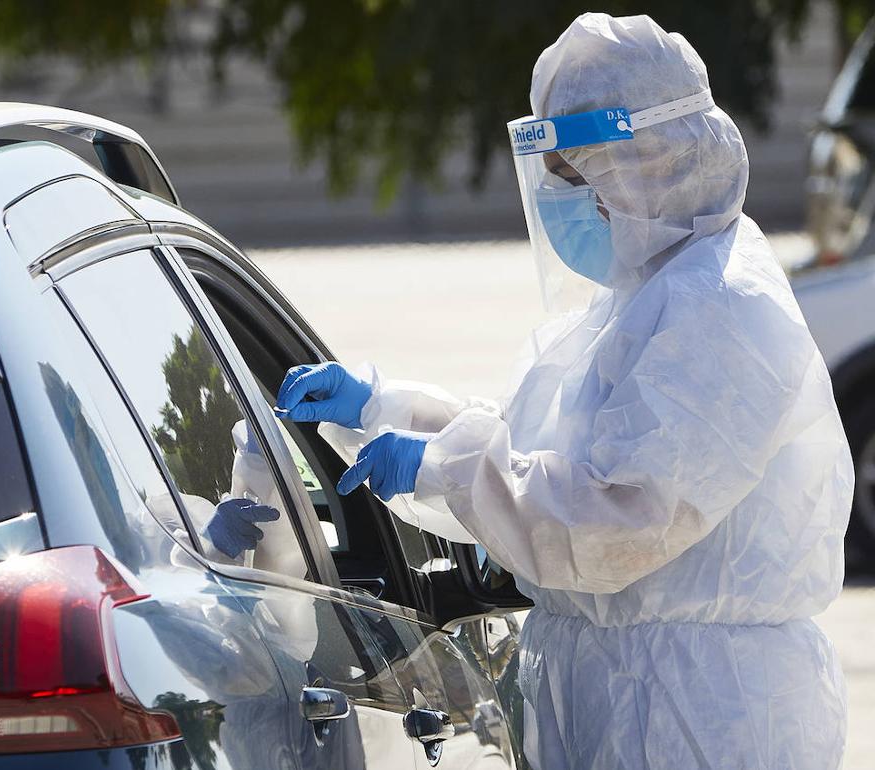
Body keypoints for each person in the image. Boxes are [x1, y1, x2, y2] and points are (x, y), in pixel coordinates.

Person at [277, 13, 852, 769]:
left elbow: (617, 520)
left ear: (656, 160)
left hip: (704, 719)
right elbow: (542, 457)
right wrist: (386, 409)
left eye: (577, 176)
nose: (560, 201)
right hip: (624, 698)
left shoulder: (724, 310)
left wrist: (440, 466)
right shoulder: (642, 300)